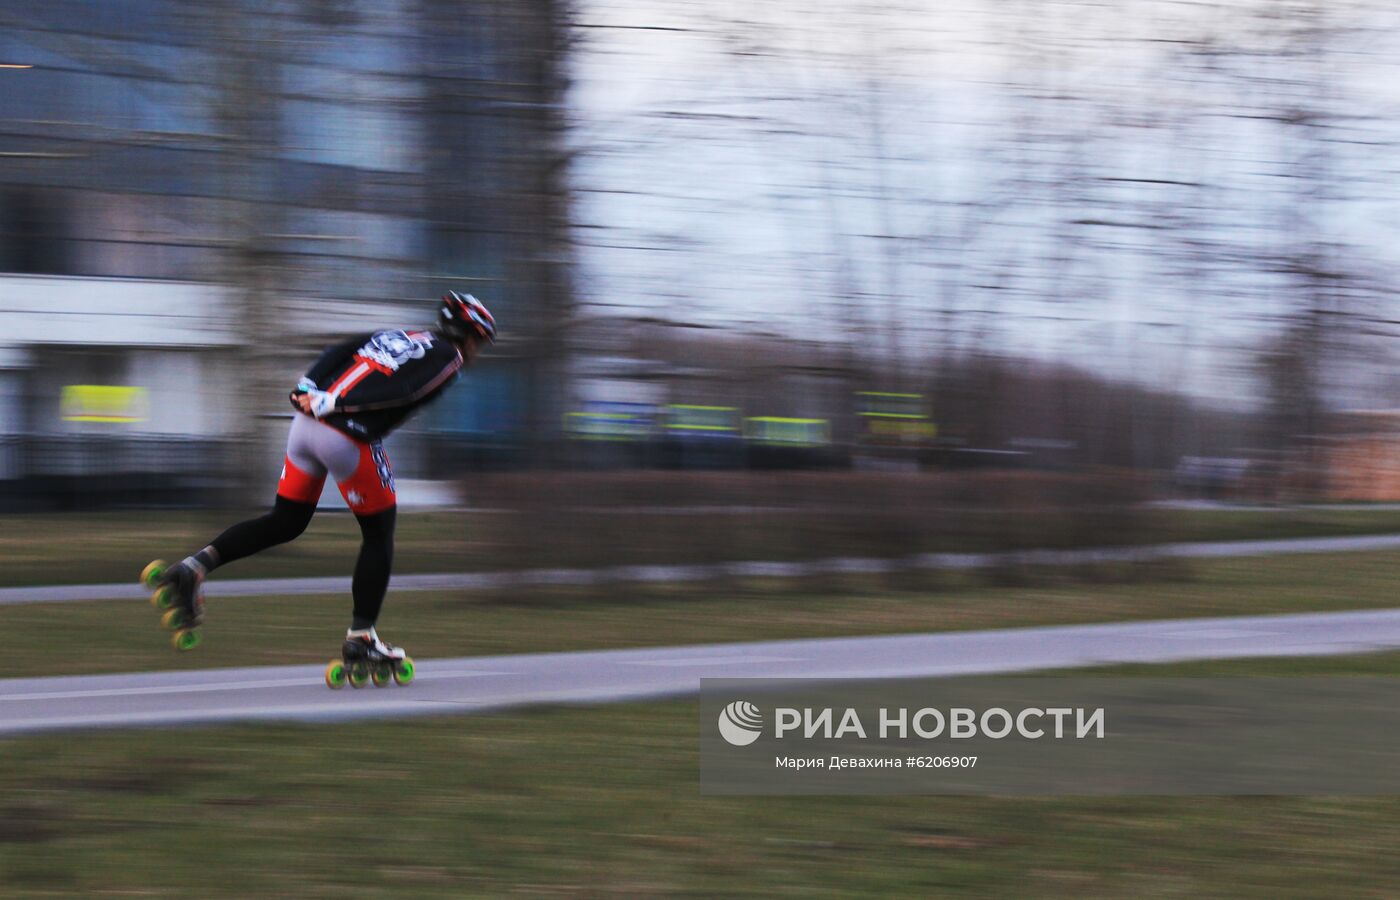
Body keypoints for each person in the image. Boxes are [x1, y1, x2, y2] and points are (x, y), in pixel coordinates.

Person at [148, 291, 495, 680]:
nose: (478, 351)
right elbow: (408, 392)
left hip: (305, 425)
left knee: (286, 520)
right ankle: (362, 636)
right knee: (379, 534)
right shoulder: (450, 357)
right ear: (469, 335)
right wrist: (340, 405)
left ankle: (194, 567)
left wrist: (308, 386)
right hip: (345, 433)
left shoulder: (401, 334)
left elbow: (340, 350)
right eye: (481, 341)